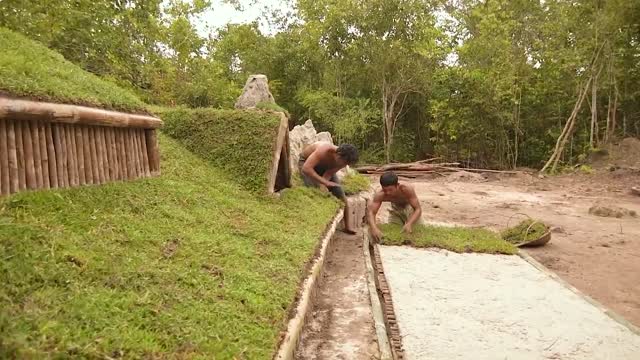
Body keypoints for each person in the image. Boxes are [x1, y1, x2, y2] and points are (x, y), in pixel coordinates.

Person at [299, 142, 359, 234]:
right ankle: (314, 224)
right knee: (314, 192)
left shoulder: (342, 161)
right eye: (345, 162)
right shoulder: (324, 149)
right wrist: (324, 183)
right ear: (339, 155)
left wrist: (324, 185)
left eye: (347, 163)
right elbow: (306, 168)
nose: (344, 165)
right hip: (307, 163)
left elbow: (329, 173)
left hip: (324, 168)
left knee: (341, 195)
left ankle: (348, 226)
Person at [367, 171, 423, 241]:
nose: (388, 193)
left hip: (410, 208)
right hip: (395, 209)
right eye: (385, 190)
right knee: (394, 231)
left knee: (417, 231)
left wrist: (409, 224)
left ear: (397, 185)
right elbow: (371, 212)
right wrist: (374, 228)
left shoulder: (406, 188)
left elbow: (418, 209)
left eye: (390, 190)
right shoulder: (380, 194)